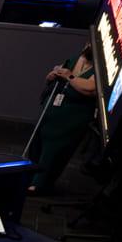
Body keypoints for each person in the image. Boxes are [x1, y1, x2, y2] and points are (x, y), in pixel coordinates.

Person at [27, 46, 98, 195]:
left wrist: (70, 77)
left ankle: (40, 183)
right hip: (53, 107)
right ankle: (29, 174)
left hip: (72, 115)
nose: (87, 47)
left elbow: (90, 89)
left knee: (53, 150)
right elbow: (54, 74)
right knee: (37, 143)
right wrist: (52, 75)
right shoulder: (75, 58)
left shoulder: (99, 69)